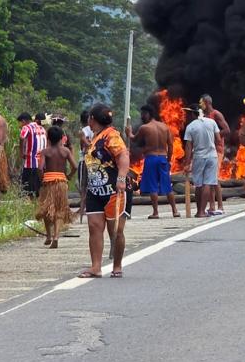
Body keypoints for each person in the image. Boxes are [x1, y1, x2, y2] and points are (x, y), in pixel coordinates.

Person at [79, 103, 130, 278]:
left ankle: (117, 265)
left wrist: (121, 178)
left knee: (115, 230)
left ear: (92, 119)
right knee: (94, 227)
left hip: (113, 190)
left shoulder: (111, 136)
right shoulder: (95, 137)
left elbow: (123, 156)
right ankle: (96, 267)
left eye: (89, 119)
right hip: (95, 191)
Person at [132, 104, 179, 218]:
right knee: (167, 186)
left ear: (149, 114)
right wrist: (168, 160)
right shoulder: (165, 127)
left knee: (153, 186)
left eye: (143, 114)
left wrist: (128, 132)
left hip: (151, 158)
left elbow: (134, 139)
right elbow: (171, 145)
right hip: (163, 158)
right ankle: (175, 211)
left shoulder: (145, 128)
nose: (142, 116)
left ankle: (156, 213)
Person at [37, 125, 76, 249]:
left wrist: (42, 178)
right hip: (61, 183)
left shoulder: (45, 151)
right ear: (61, 138)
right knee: (60, 210)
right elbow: (75, 166)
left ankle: (48, 236)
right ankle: (56, 236)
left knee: (46, 210)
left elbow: (39, 168)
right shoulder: (65, 151)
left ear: (48, 138)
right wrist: (68, 176)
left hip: (48, 182)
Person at [183, 101, 221, 218]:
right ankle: (202, 211)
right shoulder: (212, 122)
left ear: (194, 114)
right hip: (212, 156)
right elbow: (218, 139)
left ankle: (199, 211)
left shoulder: (190, 127)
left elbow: (188, 147)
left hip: (199, 157)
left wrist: (187, 163)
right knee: (208, 184)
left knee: (199, 184)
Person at [198, 95, 229, 215]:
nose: (200, 105)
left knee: (214, 178)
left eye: (201, 102)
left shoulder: (216, 114)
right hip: (207, 150)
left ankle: (220, 206)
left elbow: (226, 130)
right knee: (208, 179)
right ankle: (211, 206)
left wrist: (215, 136)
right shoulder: (203, 116)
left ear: (206, 102)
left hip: (217, 149)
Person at [18, 112, 45, 199]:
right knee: (37, 188)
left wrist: (21, 151)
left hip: (30, 163)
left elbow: (22, 137)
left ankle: (28, 206)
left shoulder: (27, 127)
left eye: (20, 123)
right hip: (41, 164)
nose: (20, 125)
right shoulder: (42, 128)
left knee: (27, 188)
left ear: (23, 121)